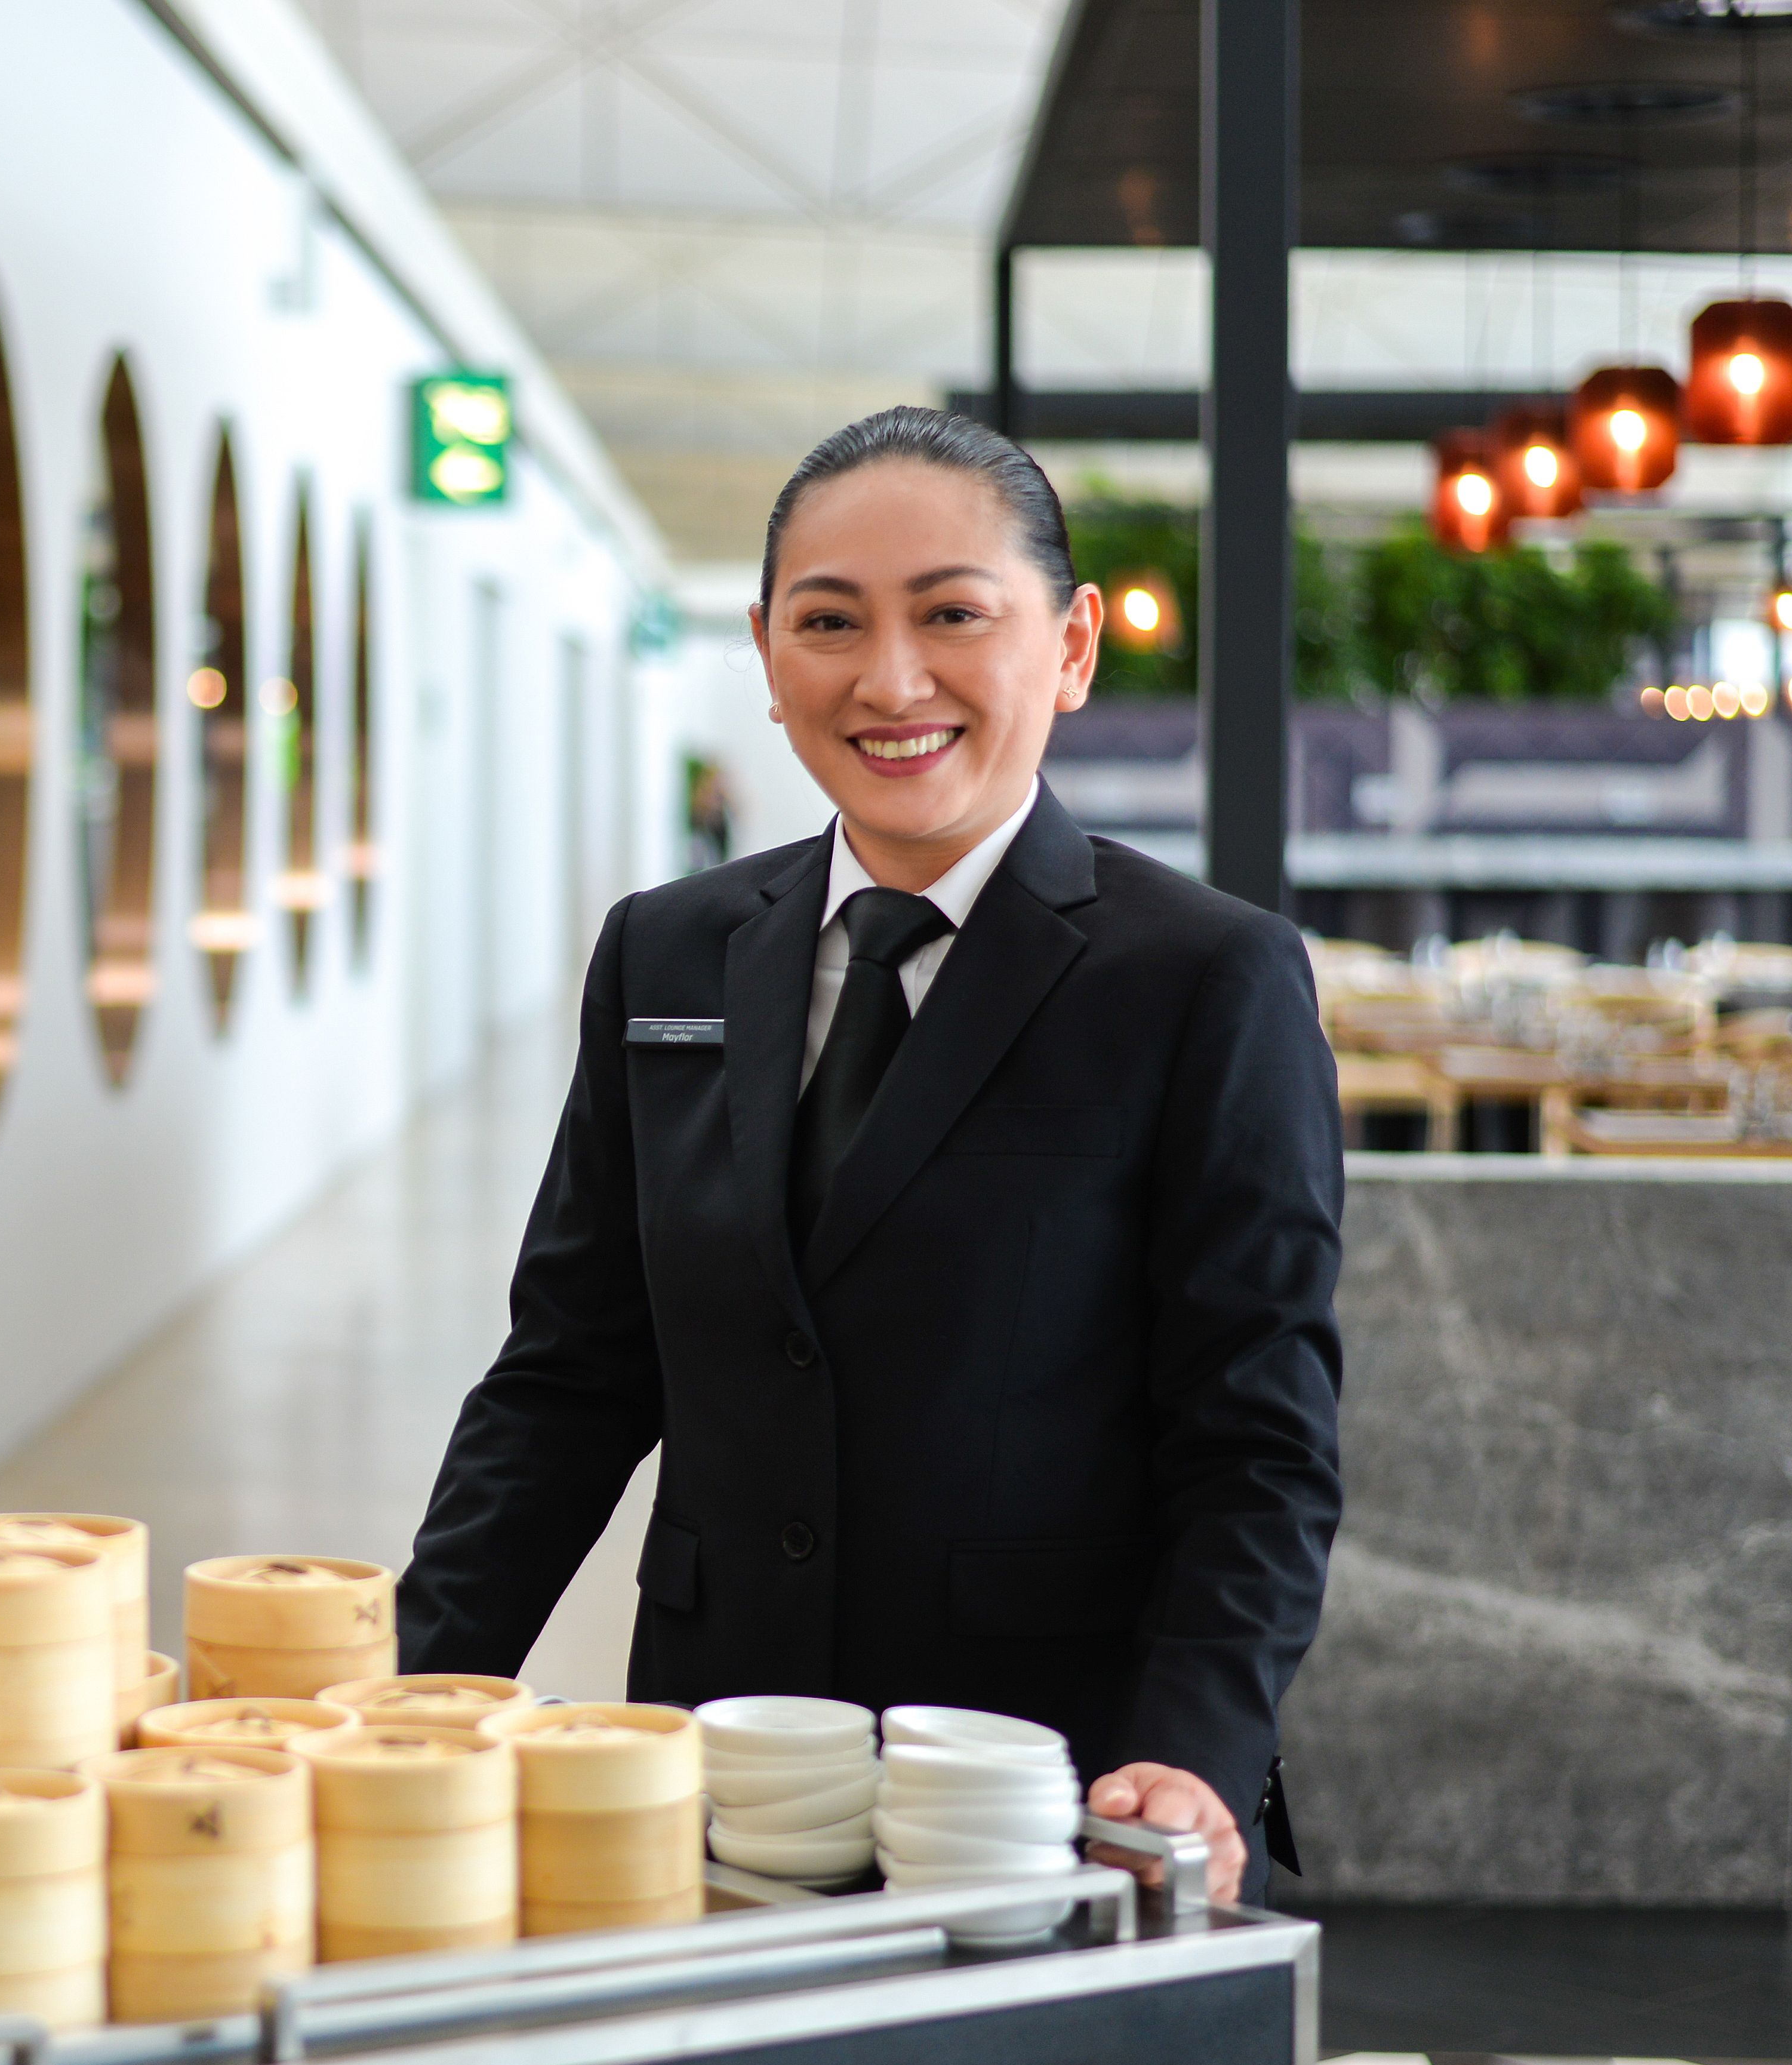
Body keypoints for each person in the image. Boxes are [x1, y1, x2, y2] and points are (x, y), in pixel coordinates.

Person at [396, 408, 1340, 1901]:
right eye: (828, 623)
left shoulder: (1201, 979)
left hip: (1034, 1784)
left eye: (953, 615)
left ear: (1071, 645)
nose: (889, 680)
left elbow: (1254, 1432)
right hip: (720, 1757)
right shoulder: (669, 950)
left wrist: (1194, 1747)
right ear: (769, 657)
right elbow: (570, 1374)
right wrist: (418, 1678)